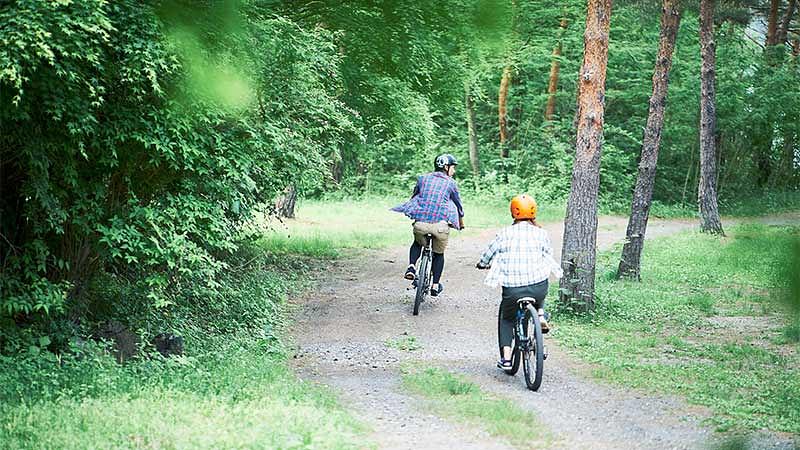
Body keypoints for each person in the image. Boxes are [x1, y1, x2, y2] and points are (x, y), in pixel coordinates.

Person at [476, 194, 562, 370]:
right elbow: (548, 254)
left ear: (513, 212)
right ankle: (540, 313)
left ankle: (507, 359)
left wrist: (482, 264)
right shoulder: (541, 233)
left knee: (507, 319)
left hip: (513, 290)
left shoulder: (504, 233)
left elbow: (488, 254)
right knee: (540, 284)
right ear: (533, 212)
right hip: (538, 287)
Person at [391, 154, 464, 296]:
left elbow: (415, 197)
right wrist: (460, 222)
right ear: (446, 167)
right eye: (453, 168)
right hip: (440, 227)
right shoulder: (451, 183)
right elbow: (458, 205)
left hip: (421, 225)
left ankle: (412, 266)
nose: (454, 171)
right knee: (438, 254)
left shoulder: (422, 179)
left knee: (417, 243)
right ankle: (435, 285)